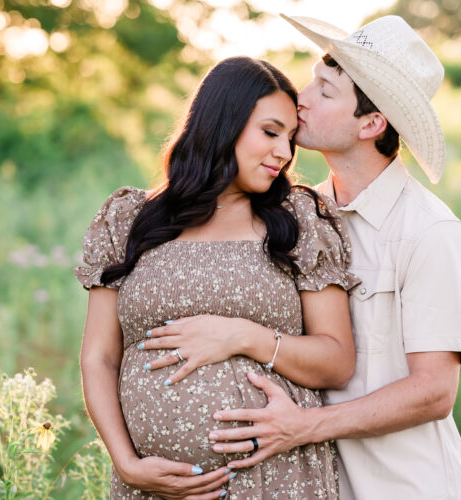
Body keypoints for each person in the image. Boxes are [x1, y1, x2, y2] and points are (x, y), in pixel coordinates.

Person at [148, 15, 461, 500]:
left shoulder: (428, 231)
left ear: (371, 123)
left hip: (406, 486)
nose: (302, 96)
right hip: (316, 485)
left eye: (326, 91)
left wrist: (303, 426)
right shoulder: (296, 217)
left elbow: (433, 391)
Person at [75, 56, 360, 499]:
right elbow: (99, 358)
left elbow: (337, 360)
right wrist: (126, 464)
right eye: (270, 132)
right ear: (221, 123)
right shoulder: (129, 218)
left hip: (274, 479)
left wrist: (243, 335)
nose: (284, 154)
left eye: (290, 139)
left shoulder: (298, 222)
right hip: (152, 488)